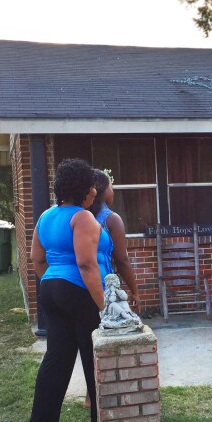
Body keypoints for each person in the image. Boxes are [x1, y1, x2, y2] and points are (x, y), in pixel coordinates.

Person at [26, 159, 105, 422]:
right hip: (77, 290)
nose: (95, 191)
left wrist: (54, 282)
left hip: (49, 288)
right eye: (92, 185)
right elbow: (86, 264)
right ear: (83, 188)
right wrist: (105, 306)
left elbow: (36, 258)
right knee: (95, 355)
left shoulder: (45, 216)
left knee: (56, 359)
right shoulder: (83, 218)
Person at [83, 168, 141, 409]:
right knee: (107, 336)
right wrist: (134, 290)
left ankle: (90, 395)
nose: (113, 191)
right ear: (103, 191)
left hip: (81, 282)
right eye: (111, 186)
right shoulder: (111, 219)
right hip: (104, 285)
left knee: (87, 339)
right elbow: (122, 259)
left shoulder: (79, 215)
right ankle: (105, 393)